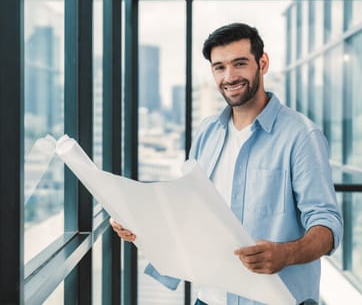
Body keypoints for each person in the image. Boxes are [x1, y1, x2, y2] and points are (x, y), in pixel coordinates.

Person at [110, 22, 343, 305]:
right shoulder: (208, 132)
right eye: (219, 67)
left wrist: (286, 254)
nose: (229, 76)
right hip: (209, 299)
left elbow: (327, 225)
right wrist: (139, 226)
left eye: (240, 63)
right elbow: (187, 212)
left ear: (263, 63)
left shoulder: (301, 136)